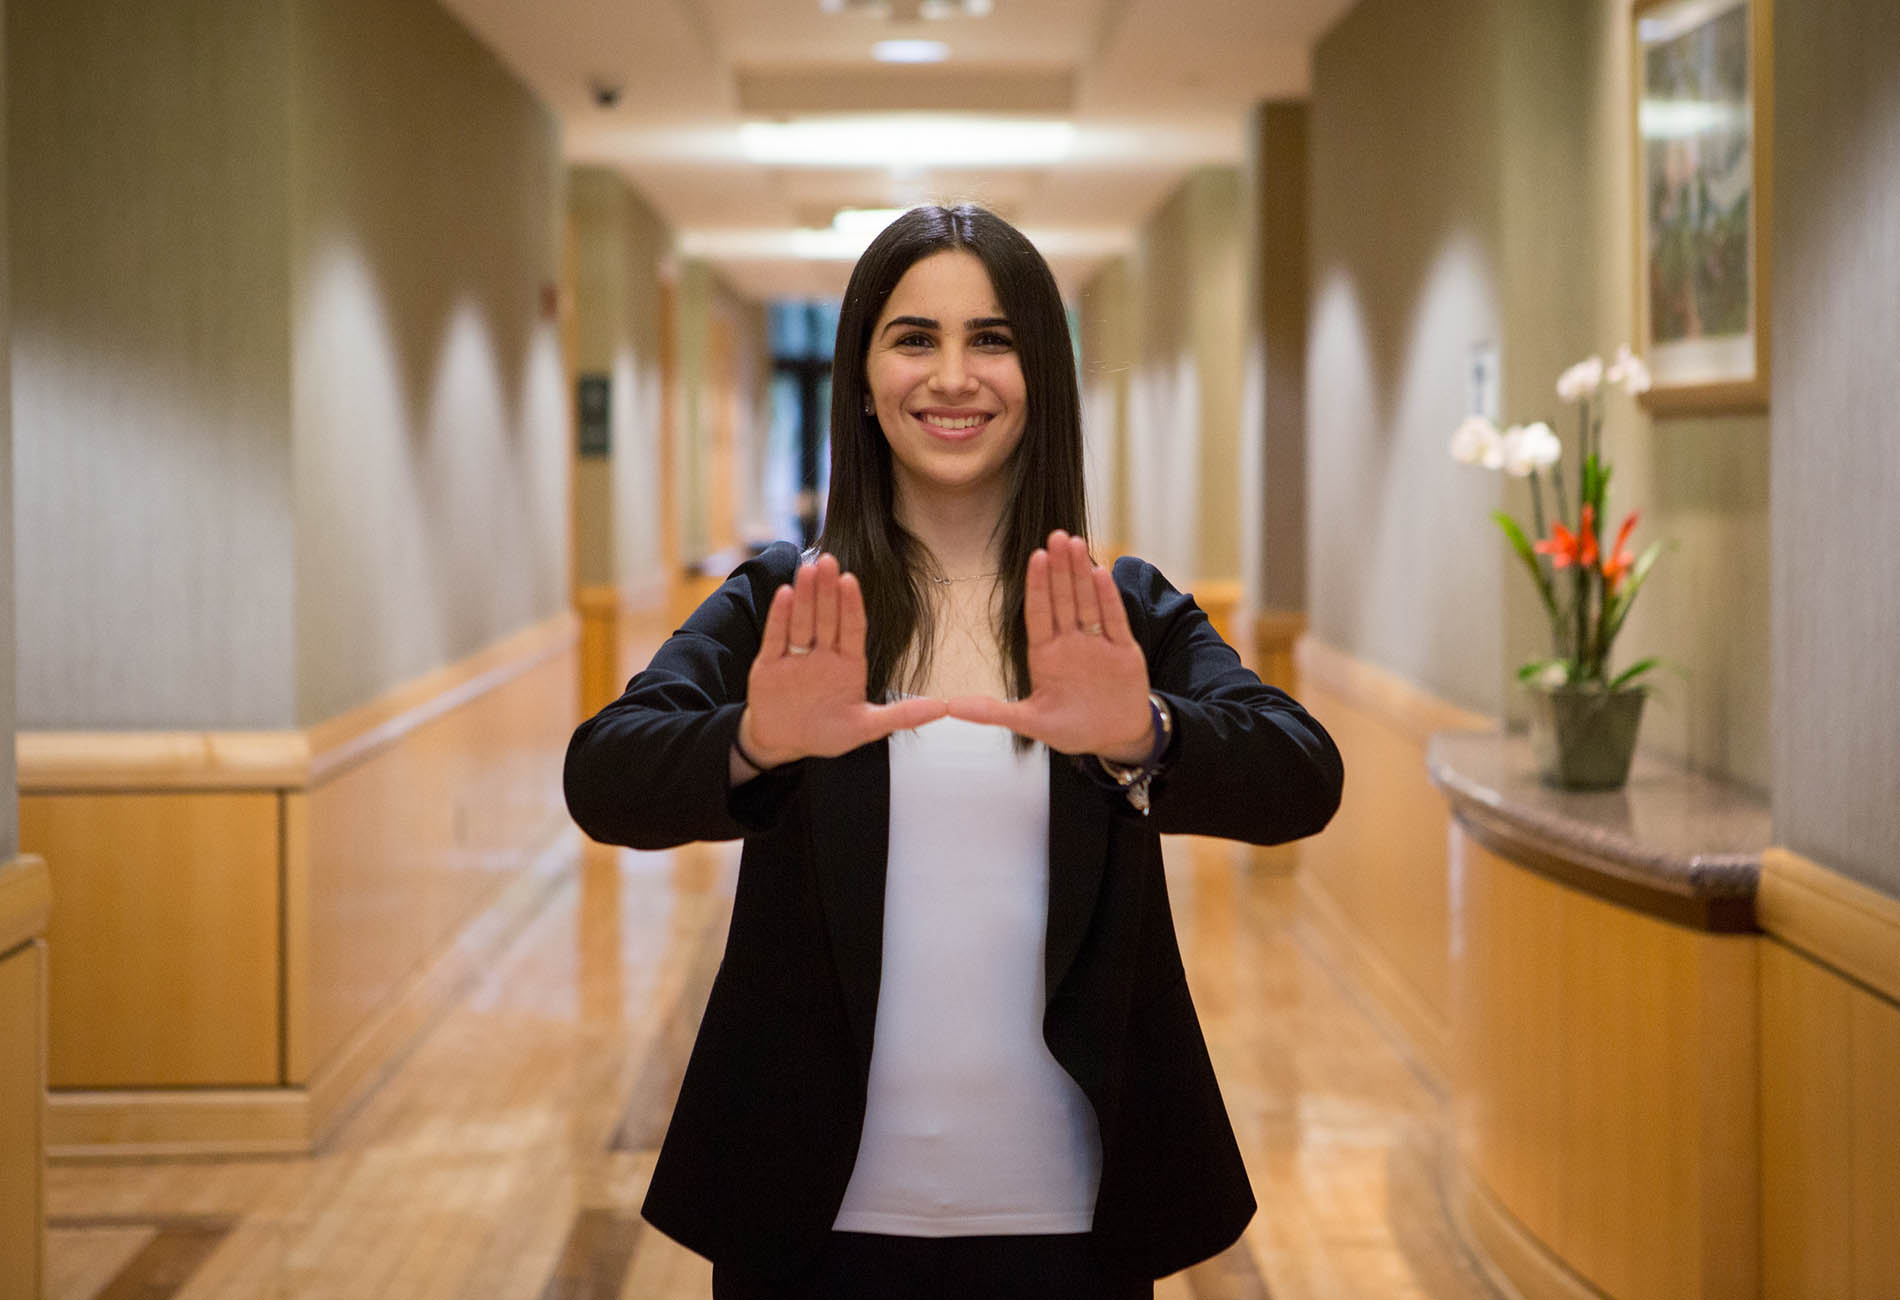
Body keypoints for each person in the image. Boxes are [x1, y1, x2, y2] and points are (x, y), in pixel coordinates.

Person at [563, 204, 1343, 1299]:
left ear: (1040, 375)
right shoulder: (789, 603)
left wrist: (1143, 734)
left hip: (1068, 1217)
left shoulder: (1117, 612)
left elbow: (1301, 772)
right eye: (913, 337)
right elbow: (603, 773)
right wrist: (751, 742)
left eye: (992, 339)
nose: (952, 376)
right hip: (812, 1216)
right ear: (864, 375)